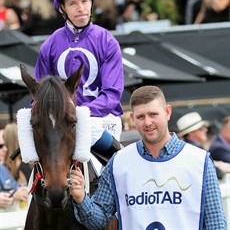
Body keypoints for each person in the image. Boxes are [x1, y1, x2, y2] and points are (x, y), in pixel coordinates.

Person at [69, 85, 226, 229]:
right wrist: (81, 199)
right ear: (132, 118)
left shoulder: (200, 161)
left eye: (153, 114)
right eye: (141, 117)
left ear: (167, 112)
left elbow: (216, 223)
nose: (148, 122)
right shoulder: (118, 162)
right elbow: (99, 220)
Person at [34, 0, 124, 161]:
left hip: (102, 119)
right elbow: (39, 94)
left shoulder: (107, 41)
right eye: (73, 3)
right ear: (62, 8)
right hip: (60, 121)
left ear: (91, 2)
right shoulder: (49, 46)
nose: (80, 8)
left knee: (88, 131)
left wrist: (80, 113)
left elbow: (112, 95)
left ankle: (119, 161)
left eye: (84, 1)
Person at [0, 130, 28, 209]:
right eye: (1, 146)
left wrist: (20, 191)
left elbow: (14, 187)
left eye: (6, 145)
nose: (5, 149)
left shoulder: (3, 169)